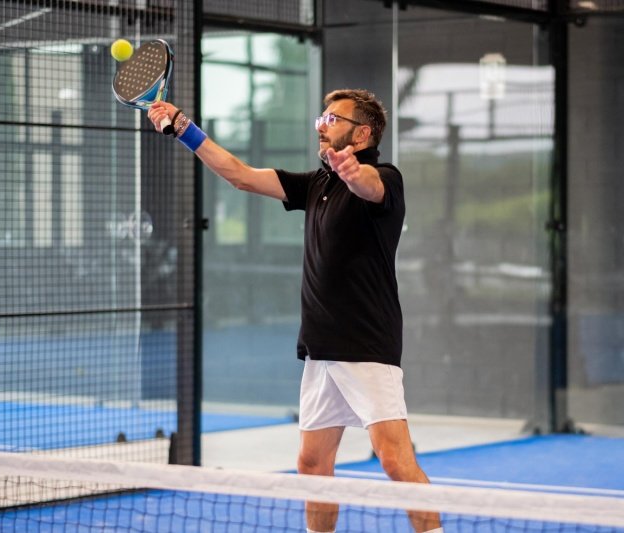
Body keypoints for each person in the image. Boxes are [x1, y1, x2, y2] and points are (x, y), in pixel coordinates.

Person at [148, 89, 443, 533]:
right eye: (321, 117)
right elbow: (242, 176)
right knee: (312, 464)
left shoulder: (385, 178)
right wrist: (184, 130)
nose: (321, 125)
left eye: (334, 119)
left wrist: (353, 173)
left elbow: (371, 186)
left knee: (395, 461)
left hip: (366, 346)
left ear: (361, 134)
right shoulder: (316, 184)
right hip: (321, 350)